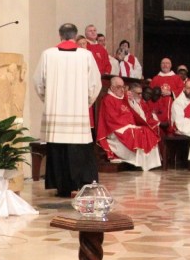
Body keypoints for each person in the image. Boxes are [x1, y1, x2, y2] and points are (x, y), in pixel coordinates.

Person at [32, 22, 102, 196]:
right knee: (79, 149)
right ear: (75, 35)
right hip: (78, 112)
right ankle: (82, 184)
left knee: (58, 149)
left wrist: (48, 100)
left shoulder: (48, 55)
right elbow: (95, 83)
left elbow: (38, 82)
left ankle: (61, 186)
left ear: (60, 36)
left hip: (55, 113)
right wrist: (85, 103)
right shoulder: (86, 55)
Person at [96, 75, 161, 171]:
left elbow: (136, 113)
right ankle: (141, 162)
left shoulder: (124, 98)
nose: (122, 90)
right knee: (138, 133)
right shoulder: (108, 99)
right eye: (119, 87)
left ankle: (150, 163)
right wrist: (129, 125)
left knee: (147, 130)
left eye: (123, 87)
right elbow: (111, 119)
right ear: (112, 87)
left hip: (128, 127)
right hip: (116, 130)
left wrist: (132, 101)